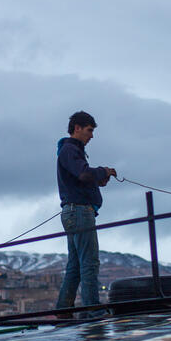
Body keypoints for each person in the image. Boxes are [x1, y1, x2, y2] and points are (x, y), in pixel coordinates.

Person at [56, 111, 116, 315]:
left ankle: (63, 310)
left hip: (73, 212)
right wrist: (103, 171)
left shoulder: (69, 150)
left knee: (75, 265)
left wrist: (97, 178)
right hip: (80, 212)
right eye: (89, 130)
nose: (91, 135)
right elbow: (83, 174)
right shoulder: (70, 149)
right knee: (89, 262)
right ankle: (94, 311)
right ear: (77, 128)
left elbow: (81, 178)